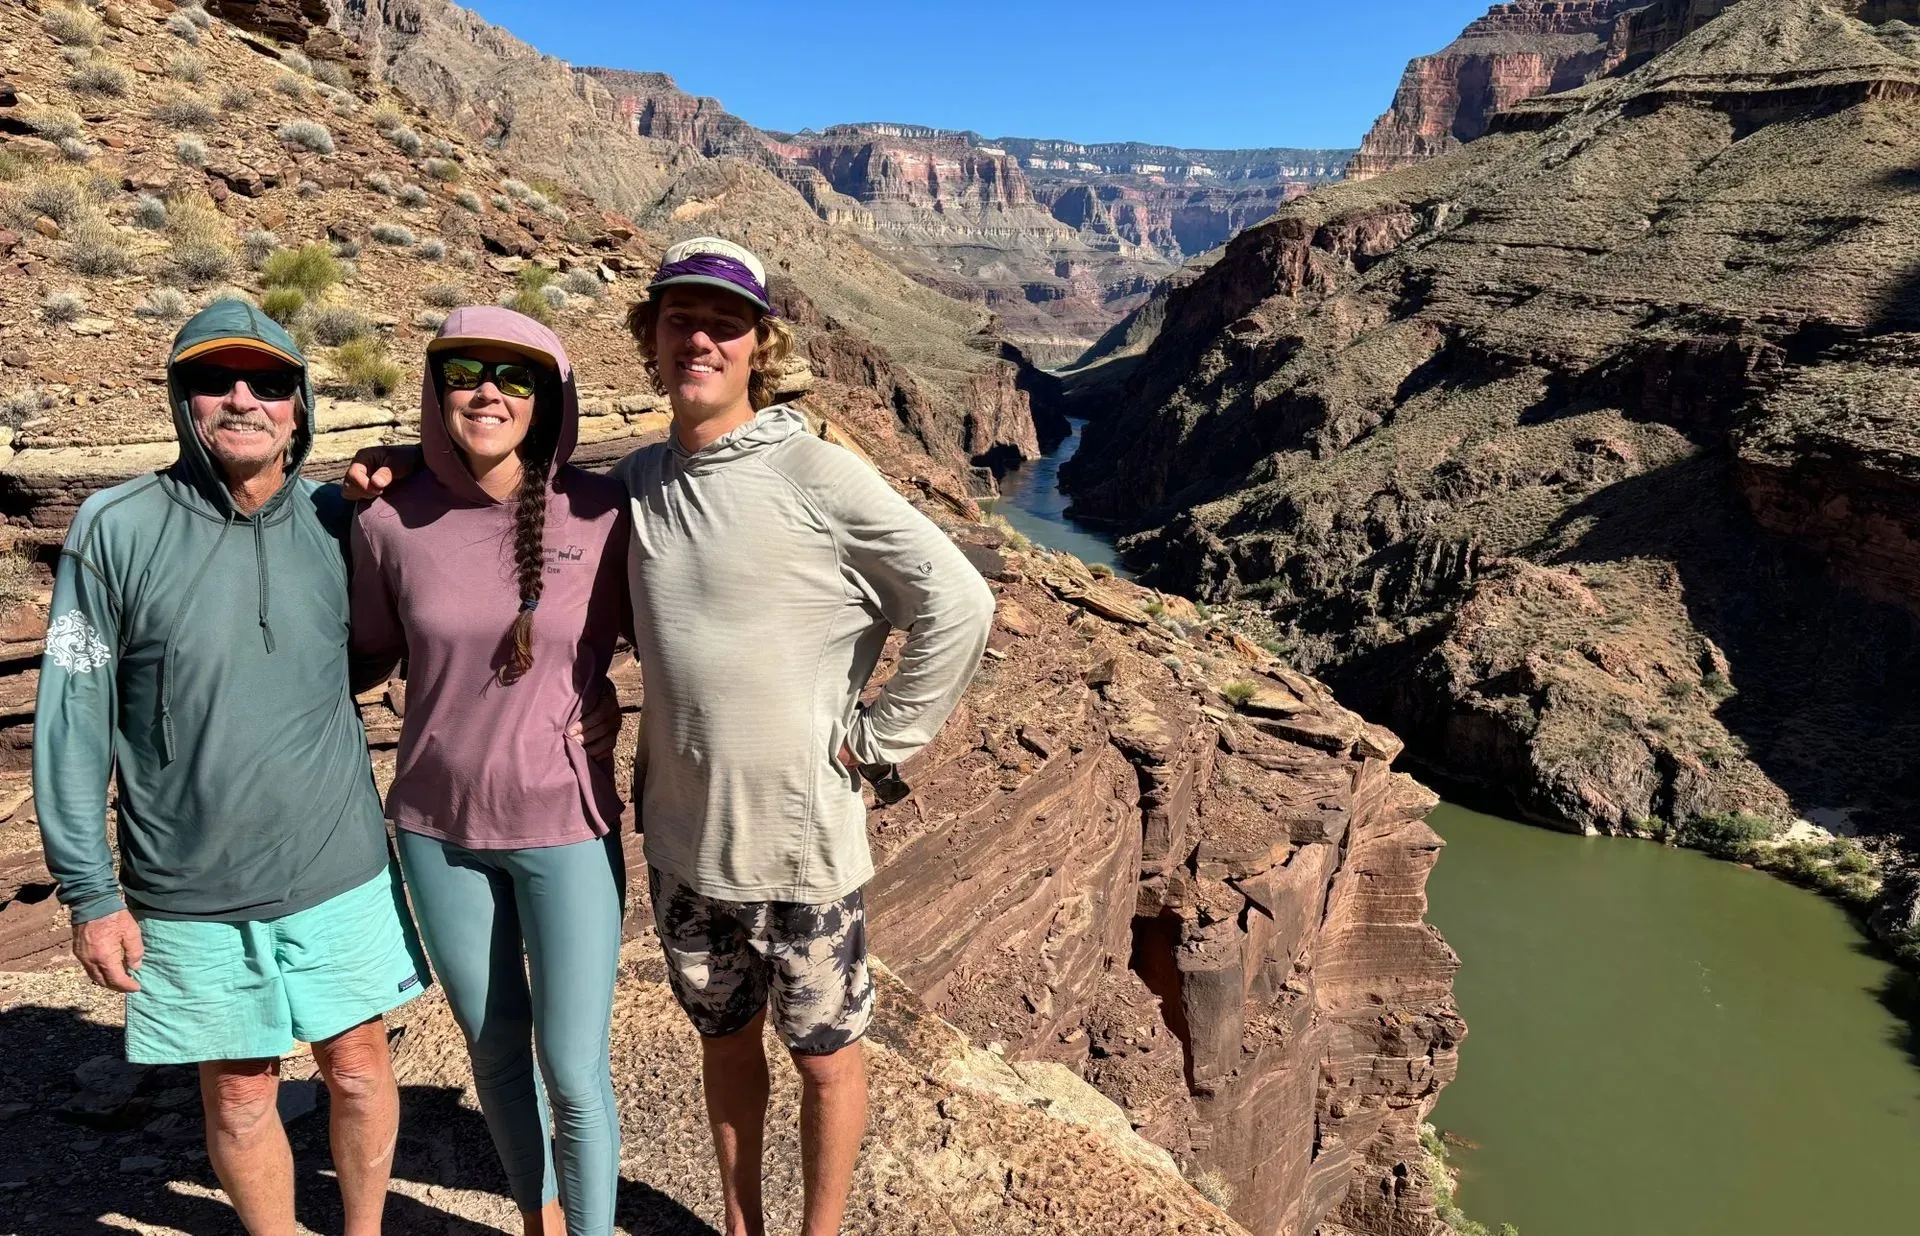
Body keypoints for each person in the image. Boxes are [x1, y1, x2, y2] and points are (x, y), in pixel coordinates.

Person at [346, 237, 996, 1235]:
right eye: (679, 320)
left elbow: (959, 599)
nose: (700, 338)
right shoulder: (634, 487)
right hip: (683, 841)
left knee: (825, 1056)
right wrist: (397, 467)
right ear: (649, 339)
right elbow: (507, 524)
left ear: (759, 345)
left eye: (724, 323)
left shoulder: (817, 471)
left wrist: (881, 739)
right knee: (725, 1044)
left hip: (801, 844)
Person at [34, 301, 430, 1236]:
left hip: (338, 868)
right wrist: (91, 893)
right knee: (244, 1090)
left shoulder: (341, 522)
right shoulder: (115, 529)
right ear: (184, 401)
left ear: (301, 406)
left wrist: (407, 469)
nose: (243, 398)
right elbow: (72, 717)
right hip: (189, 881)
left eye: (270, 382)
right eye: (217, 380)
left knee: (362, 1066)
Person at [348, 307, 632, 1236]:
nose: (488, 392)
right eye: (465, 371)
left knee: (575, 1067)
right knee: (497, 1050)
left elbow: (684, 635)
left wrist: (619, 701)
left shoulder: (602, 511)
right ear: (437, 388)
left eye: (516, 378)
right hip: (437, 830)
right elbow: (365, 656)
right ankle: (539, 1219)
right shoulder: (389, 519)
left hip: (565, 825)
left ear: (550, 399)